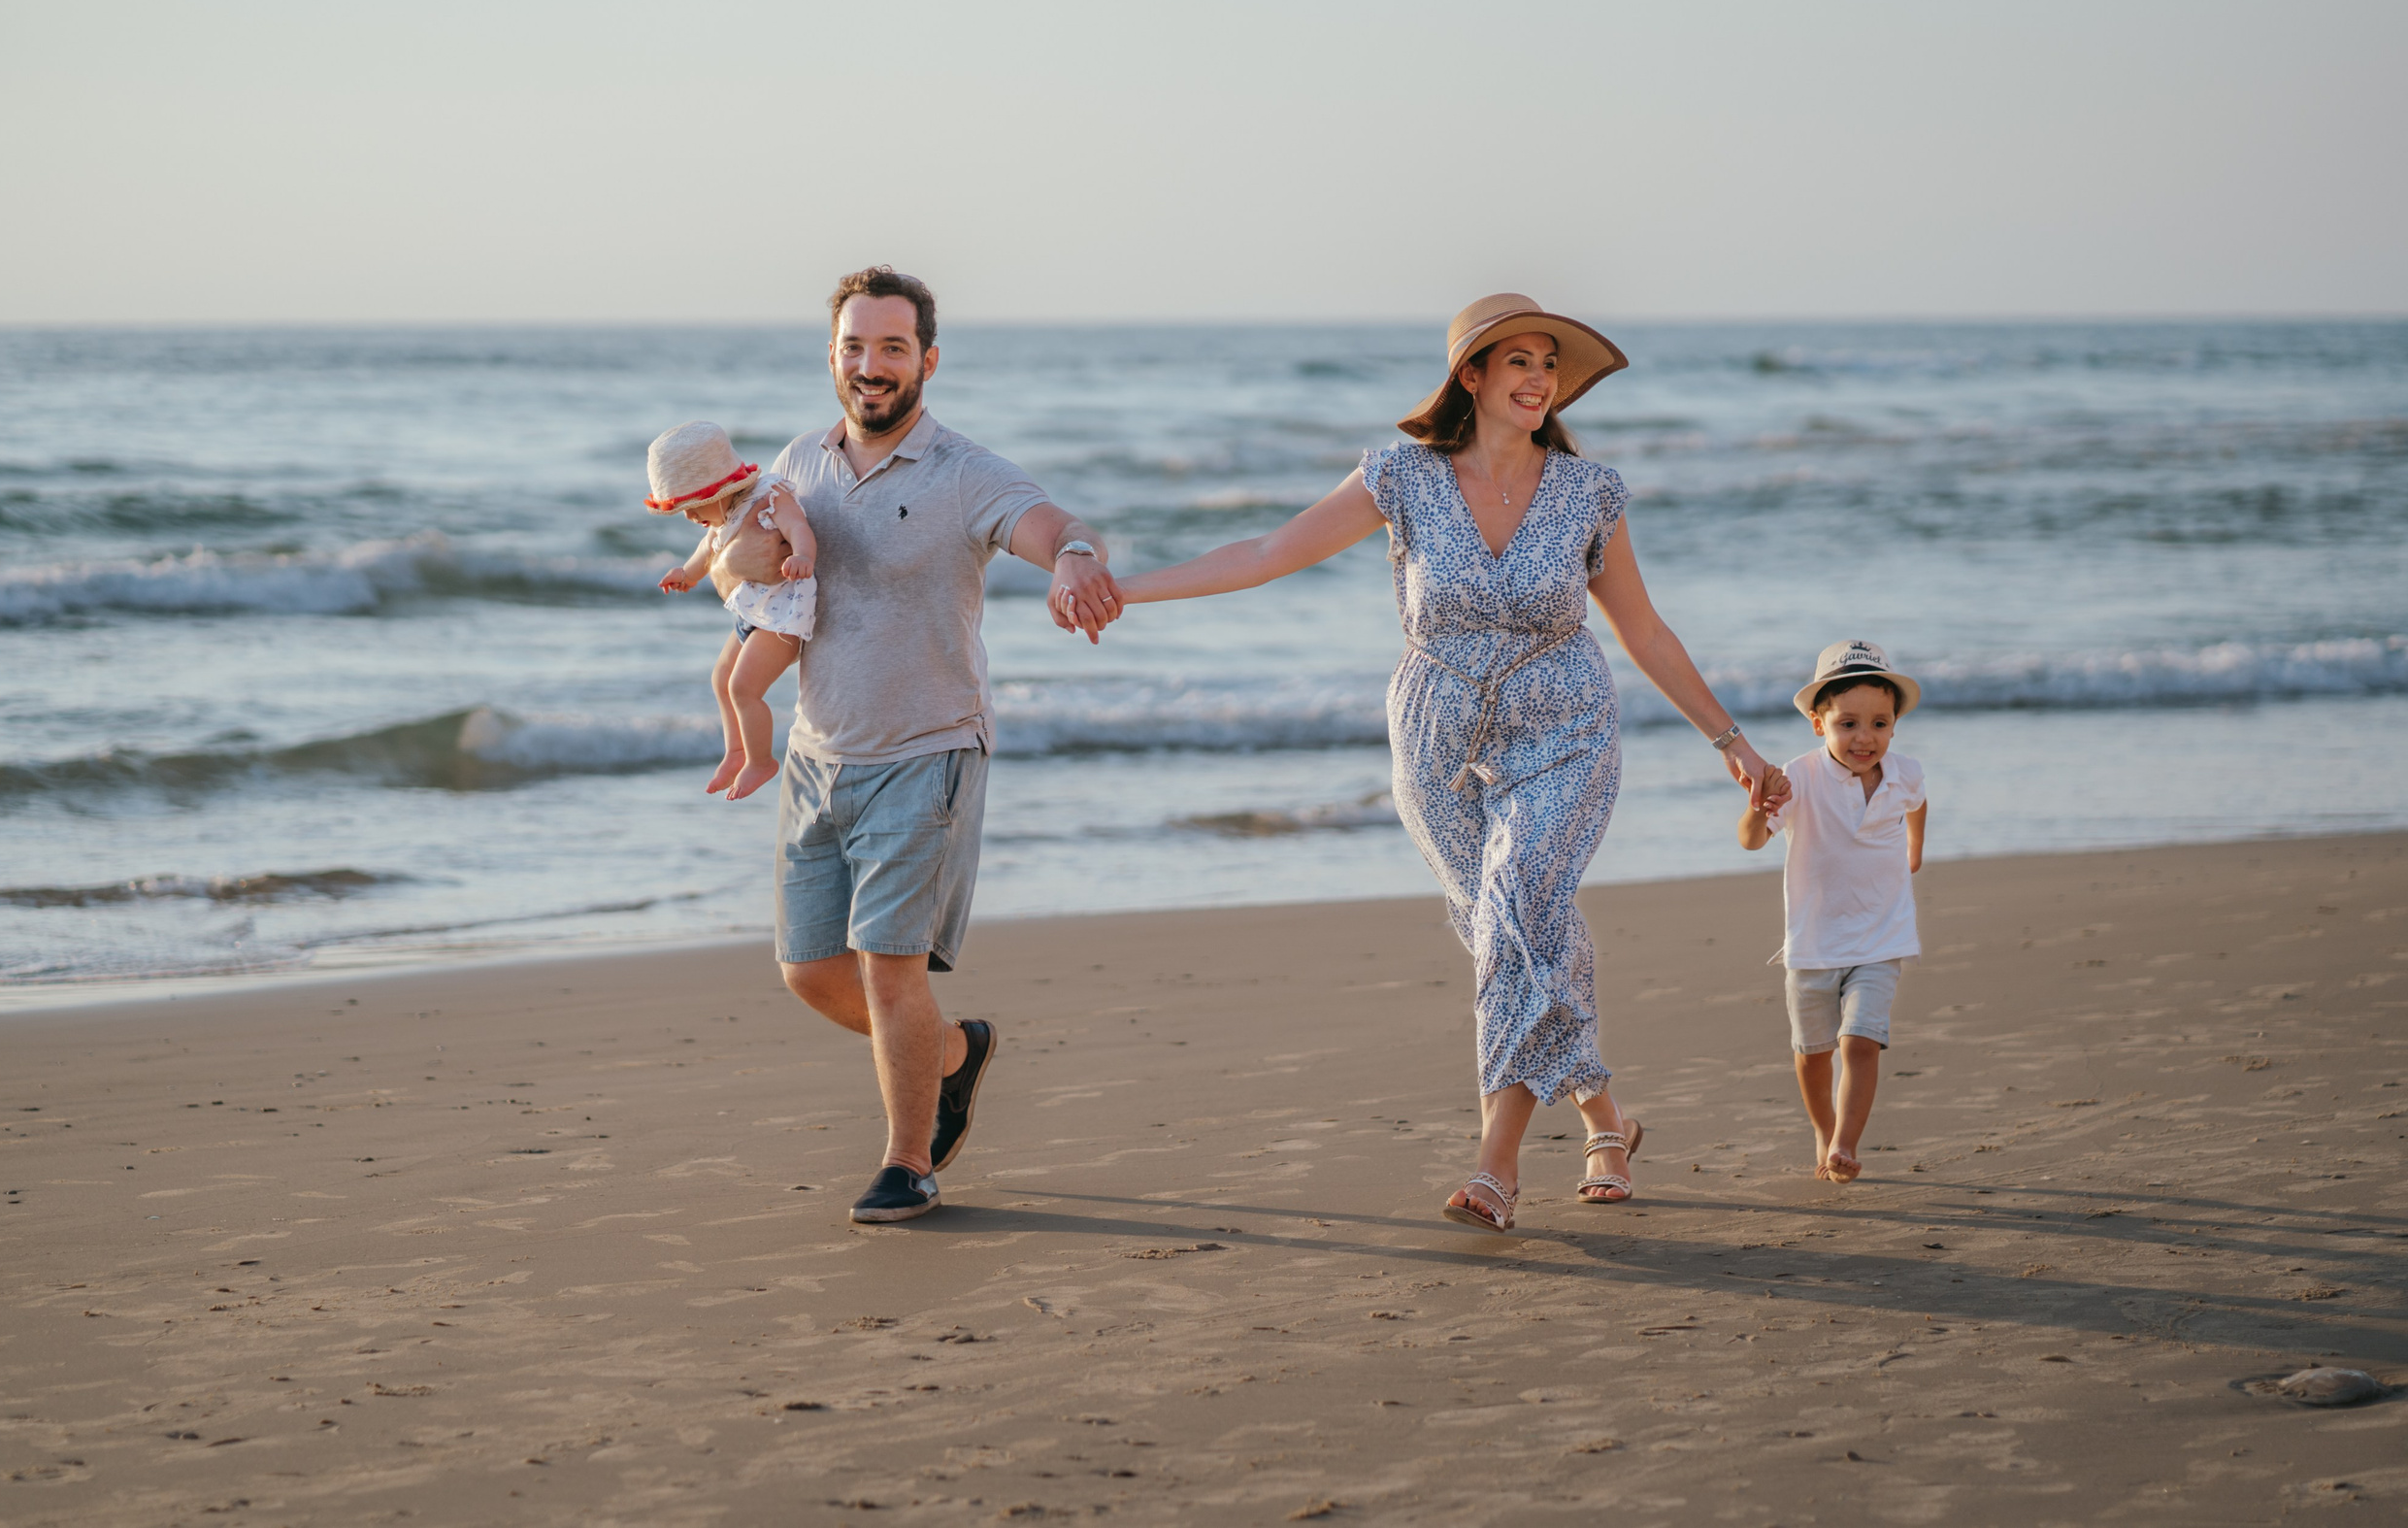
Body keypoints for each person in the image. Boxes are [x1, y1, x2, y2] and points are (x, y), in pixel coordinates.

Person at [1116, 293, 1783, 1232]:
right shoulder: (1404, 478)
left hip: (1567, 729)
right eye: (1518, 361)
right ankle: (1605, 1120)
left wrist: (1733, 742)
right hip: (1435, 738)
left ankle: (1494, 1168)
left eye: (1549, 365)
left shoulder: (1590, 493)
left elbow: (1643, 628)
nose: (1540, 379)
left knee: (1519, 904)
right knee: (1507, 932)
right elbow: (1269, 552)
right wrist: (1128, 592)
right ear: (1470, 376)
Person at [751, 265, 1122, 1224]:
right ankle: (954, 1052)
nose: (870, 366)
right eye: (854, 347)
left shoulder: (966, 474)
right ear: (831, 355)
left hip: (928, 752)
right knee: (807, 969)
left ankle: (908, 1161)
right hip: (818, 752)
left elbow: (1054, 524)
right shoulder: (800, 463)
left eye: (891, 347)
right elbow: (767, 583)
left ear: (927, 359)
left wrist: (1075, 555)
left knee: (887, 963)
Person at [1735, 640, 1929, 1183]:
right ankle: (1823, 1130)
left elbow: (1918, 802)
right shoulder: (1799, 777)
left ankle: (1845, 1143)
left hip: (1881, 937)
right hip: (1814, 943)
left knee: (1860, 1042)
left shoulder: (1905, 772)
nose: (1865, 737)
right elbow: (1751, 841)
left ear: (1894, 726)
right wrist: (1758, 803)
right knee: (1813, 1054)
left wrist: (1914, 848)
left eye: (1879, 723)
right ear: (1819, 724)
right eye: (1848, 723)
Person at [647, 421, 820, 801]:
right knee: (720, 677)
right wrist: (687, 574)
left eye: (692, 507)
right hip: (753, 614)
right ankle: (736, 751)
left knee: (744, 686)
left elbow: (798, 527)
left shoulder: (770, 497)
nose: (691, 517)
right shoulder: (724, 515)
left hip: (784, 616)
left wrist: (804, 555)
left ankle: (761, 760)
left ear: (720, 490)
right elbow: (708, 550)